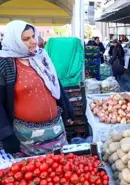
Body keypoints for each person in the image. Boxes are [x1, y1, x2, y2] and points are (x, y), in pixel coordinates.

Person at [0, 20, 74, 156]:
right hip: (26, 137)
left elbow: (55, 85)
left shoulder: (41, 57)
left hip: (56, 130)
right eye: (26, 39)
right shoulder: (5, 64)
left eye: (33, 36)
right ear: (14, 41)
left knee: (61, 171)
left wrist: (67, 107)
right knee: (36, 174)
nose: (33, 41)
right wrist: (6, 135)